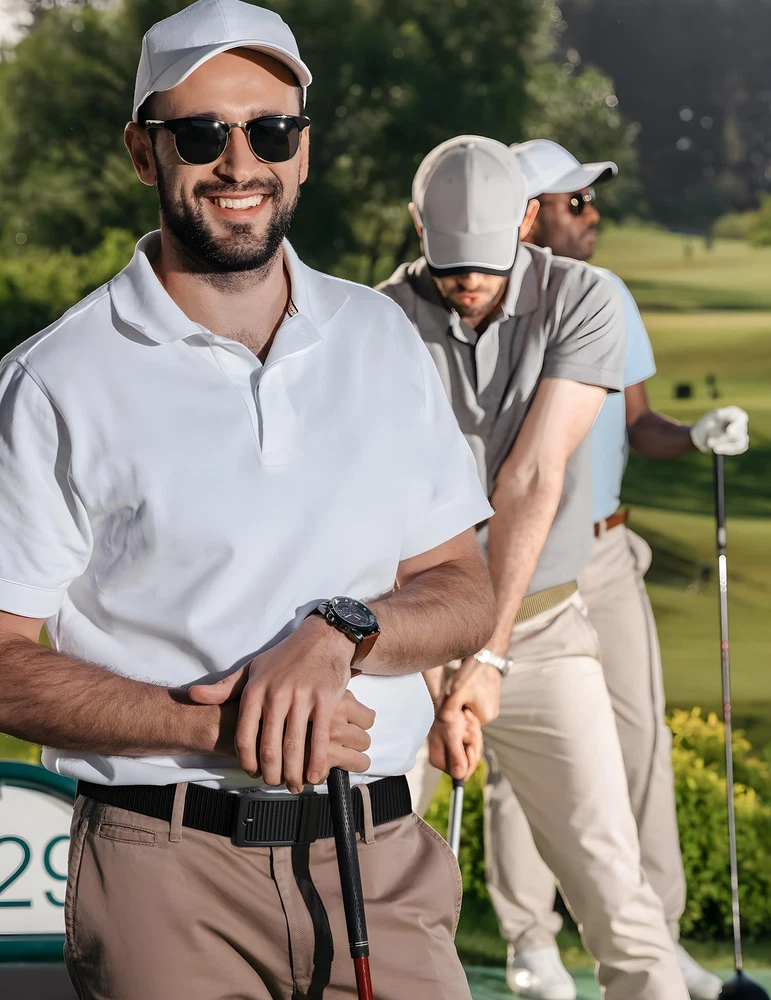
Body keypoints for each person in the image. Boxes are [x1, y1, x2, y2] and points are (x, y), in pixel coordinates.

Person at [0, 4, 498, 999]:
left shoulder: (380, 339)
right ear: (143, 151)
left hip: (379, 860)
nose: (240, 162)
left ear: (302, 151)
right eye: (200, 133)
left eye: (270, 130)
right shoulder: (54, 379)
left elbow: (462, 588)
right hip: (164, 874)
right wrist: (213, 729)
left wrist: (340, 630)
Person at [378, 135, 689, 1000]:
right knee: (361, 873)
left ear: (524, 220)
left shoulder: (584, 297)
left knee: (614, 890)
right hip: (402, 645)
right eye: (450, 265)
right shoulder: (378, 320)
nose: (468, 283)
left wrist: (487, 654)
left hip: (541, 631)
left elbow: (533, 476)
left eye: (486, 262)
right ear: (419, 229)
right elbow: (389, 494)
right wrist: (436, 668)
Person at [481, 136, 750, 1000]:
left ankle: (655, 939)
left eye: (590, 200)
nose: (592, 215)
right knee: (520, 751)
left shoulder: (609, 296)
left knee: (639, 741)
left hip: (604, 553)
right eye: (576, 202)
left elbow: (638, 424)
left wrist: (696, 434)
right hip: (517, 564)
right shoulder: (485, 308)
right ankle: (530, 941)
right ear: (528, 216)